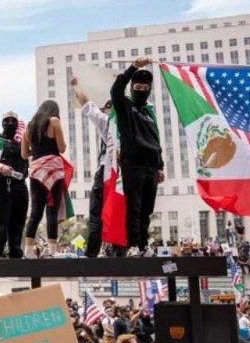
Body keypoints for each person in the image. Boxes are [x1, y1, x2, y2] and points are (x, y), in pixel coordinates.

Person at [110, 56, 164, 256]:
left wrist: (160, 166)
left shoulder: (150, 113)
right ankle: (132, 245)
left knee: (146, 210)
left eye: (145, 88)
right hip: (133, 164)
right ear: (132, 88)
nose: (141, 90)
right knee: (134, 207)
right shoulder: (125, 106)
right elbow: (116, 90)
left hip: (151, 166)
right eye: (137, 87)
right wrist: (133, 67)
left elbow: (156, 138)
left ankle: (143, 245)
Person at [71, 76, 113, 257]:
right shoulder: (132, 124)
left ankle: (92, 253)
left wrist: (76, 85)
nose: (104, 111)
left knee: (96, 214)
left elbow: (86, 103)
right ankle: (119, 251)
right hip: (124, 174)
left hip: (106, 172)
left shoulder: (108, 122)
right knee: (119, 213)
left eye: (106, 109)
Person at [21, 100, 67, 258]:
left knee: (35, 212)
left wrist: (36, 150)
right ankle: (52, 251)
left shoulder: (28, 127)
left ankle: (28, 251)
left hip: (35, 172)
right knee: (52, 211)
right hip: (53, 170)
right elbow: (62, 148)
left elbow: (24, 154)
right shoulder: (54, 121)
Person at [0, 111, 29, 259]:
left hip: (20, 184)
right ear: (2, 123)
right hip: (1, 184)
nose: (10, 123)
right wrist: (0, 167)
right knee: (1, 221)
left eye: (13, 120)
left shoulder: (22, 141)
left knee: (18, 222)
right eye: (7, 120)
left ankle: (15, 252)